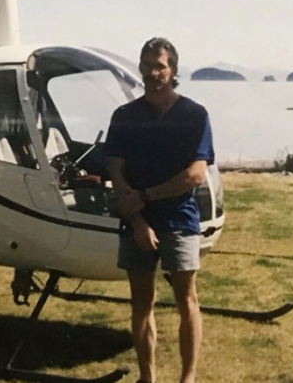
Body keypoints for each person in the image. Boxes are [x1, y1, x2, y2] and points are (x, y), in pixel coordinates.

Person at [104, 37, 214, 383]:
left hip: (179, 220)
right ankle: (147, 378)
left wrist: (147, 197)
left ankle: (188, 378)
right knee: (141, 303)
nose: (153, 72)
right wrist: (136, 220)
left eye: (160, 66)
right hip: (137, 222)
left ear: (173, 70)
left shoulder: (194, 115)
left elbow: (195, 175)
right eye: (147, 65)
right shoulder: (124, 116)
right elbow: (115, 172)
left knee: (187, 300)